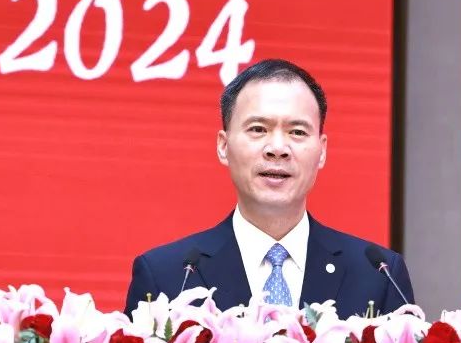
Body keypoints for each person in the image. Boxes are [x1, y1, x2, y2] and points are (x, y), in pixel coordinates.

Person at [125, 58, 414, 317]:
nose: (278, 148)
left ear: (322, 151)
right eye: (258, 129)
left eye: (297, 132)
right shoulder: (167, 276)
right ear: (223, 146)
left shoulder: (378, 276)